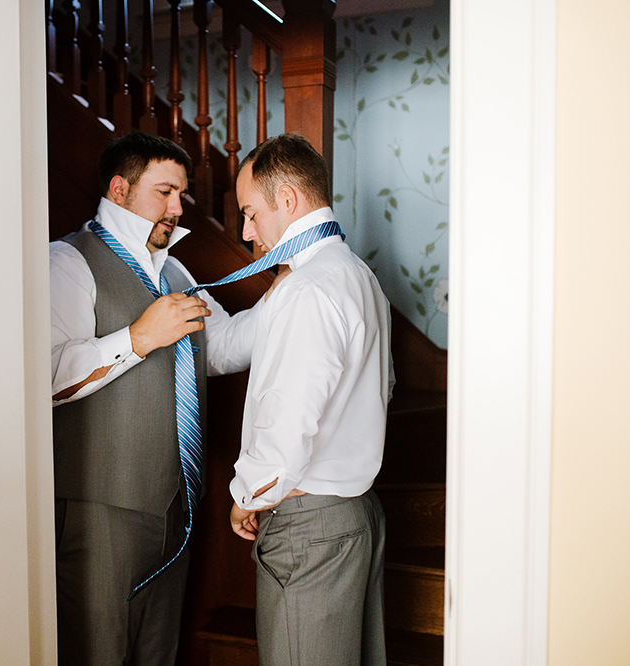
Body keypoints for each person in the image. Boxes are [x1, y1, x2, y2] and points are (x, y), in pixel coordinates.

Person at [50, 131, 258, 665]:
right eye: (165, 192)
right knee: (96, 651)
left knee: (156, 654)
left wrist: (293, 298)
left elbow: (221, 349)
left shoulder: (178, 273)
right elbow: (45, 377)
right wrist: (138, 338)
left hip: (175, 503)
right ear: (119, 189)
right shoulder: (67, 261)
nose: (177, 207)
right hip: (101, 505)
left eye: (181, 195)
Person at [227, 133, 393, 666]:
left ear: (290, 201)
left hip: (310, 530)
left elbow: (287, 419)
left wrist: (248, 493)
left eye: (251, 213)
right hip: (356, 517)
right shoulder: (360, 279)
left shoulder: (306, 290)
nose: (246, 231)